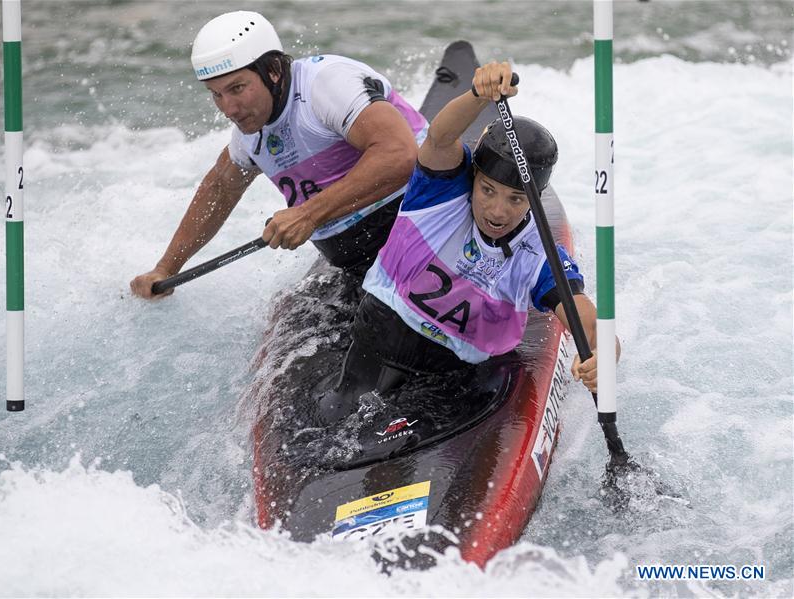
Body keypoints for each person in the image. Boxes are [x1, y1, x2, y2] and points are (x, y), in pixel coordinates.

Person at [322, 60, 620, 419]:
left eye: (516, 199)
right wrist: (479, 95)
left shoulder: (538, 255)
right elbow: (440, 137)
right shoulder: (439, 192)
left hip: (449, 378)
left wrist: (604, 351)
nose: (498, 211)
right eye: (488, 190)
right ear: (473, 177)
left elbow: (582, 313)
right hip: (374, 342)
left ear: (534, 200)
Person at [130, 11, 428, 298]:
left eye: (237, 88)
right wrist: (165, 267)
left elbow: (400, 154)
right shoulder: (249, 133)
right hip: (355, 262)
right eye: (216, 94)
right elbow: (218, 191)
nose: (228, 109)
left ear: (273, 70)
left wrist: (308, 214)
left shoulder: (325, 84)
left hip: (422, 231)